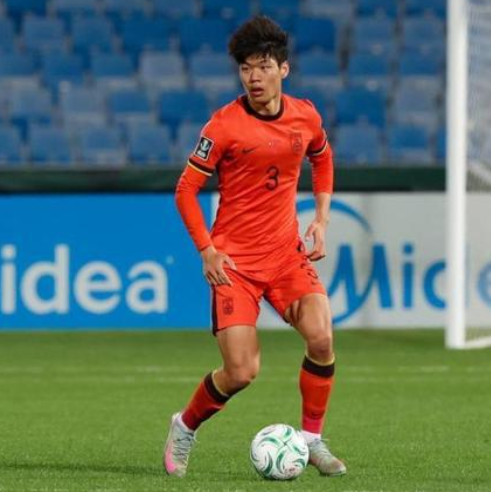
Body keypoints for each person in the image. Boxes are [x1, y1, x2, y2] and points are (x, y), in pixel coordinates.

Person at [165, 15, 346, 478]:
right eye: (245, 69)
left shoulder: (306, 116)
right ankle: (185, 425)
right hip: (236, 264)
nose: (253, 77)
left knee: (322, 337)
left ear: (283, 69)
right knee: (241, 372)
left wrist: (321, 219)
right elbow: (186, 190)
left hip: (286, 255)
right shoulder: (223, 125)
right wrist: (207, 250)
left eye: (263, 67)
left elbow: (323, 157)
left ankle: (311, 440)